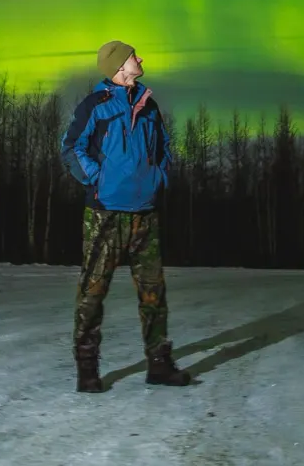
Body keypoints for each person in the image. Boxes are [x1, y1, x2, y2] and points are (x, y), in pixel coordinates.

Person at [59, 39, 195, 392]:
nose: (141, 59)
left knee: (154, 292)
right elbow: (70, 148)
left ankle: (159, 365)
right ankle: (87, 369)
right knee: (92, 292)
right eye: (135, 56)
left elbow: (165, 148)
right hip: (105, 215)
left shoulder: (150, 107)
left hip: (145, 214)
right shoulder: (96, 106)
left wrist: (159, 177)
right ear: (119, 66)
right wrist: (98, 180)